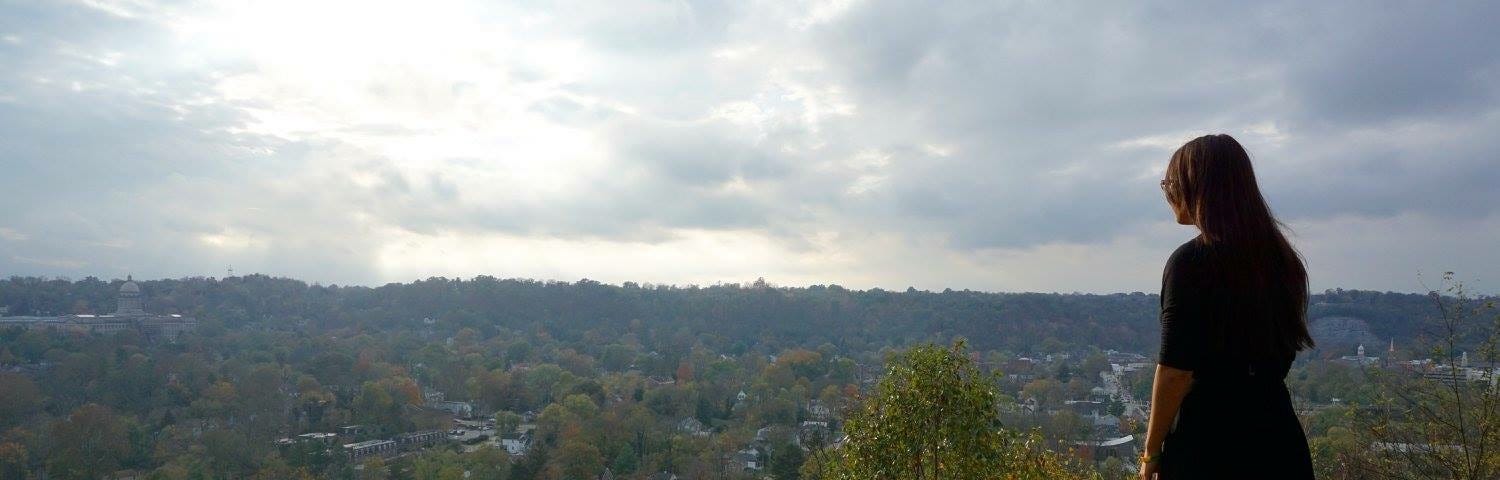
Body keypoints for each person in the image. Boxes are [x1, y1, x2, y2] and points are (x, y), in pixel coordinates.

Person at [1138, 134, 1315, 479]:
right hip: (1278, 438)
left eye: (1171, 182)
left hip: (1209, 443)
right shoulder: (1284, 261)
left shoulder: (1191, 262)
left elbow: (1176, 371)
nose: (1168, 192)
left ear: (1197, 187)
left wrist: (1151, 452)